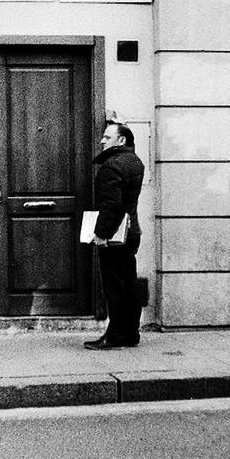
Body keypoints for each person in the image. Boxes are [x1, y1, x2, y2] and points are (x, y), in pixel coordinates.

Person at [85, 121, 145, 351]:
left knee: (114, 286)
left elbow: (111, 206)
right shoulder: (135, 162)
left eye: (107, 137)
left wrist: (100, 234)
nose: (102, 140)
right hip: (131, 231)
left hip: (115, 235)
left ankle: (115, 335)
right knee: (128, 283)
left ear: (121, 141)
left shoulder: (111, 166)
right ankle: (131, 332)